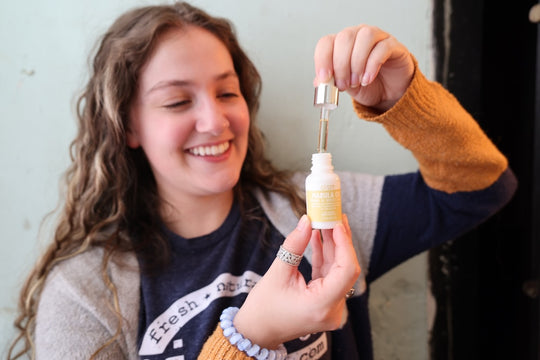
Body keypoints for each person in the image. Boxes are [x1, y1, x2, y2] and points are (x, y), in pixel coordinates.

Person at [8, 2, 517, 360]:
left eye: (227, 93)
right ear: (128, 127)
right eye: (178, 101)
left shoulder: (317, 210)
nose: (215, 121)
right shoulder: (86, 296)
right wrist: (251, 337)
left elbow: (482, 187)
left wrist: (403, 98)